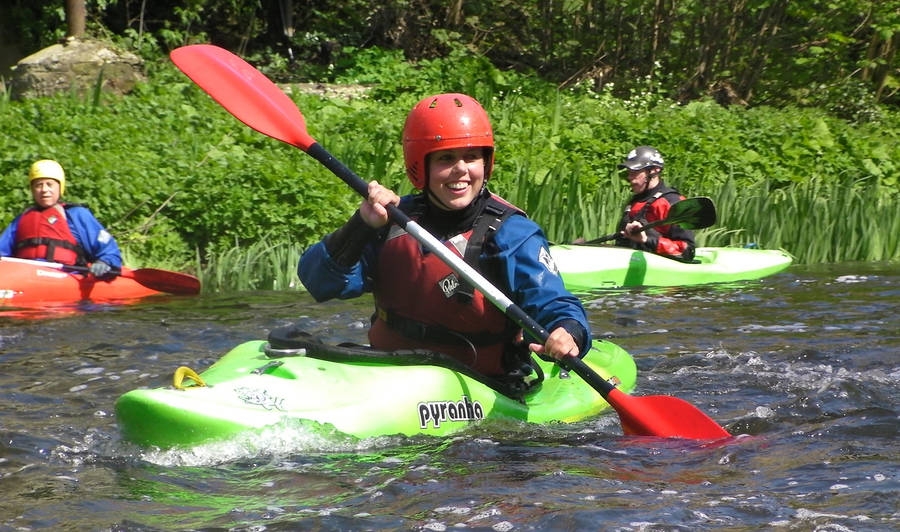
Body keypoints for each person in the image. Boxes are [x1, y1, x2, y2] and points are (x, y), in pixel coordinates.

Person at [298, 93, 590, 394]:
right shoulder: (392, 219)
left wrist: (568, 332)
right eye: (445, 158)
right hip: (388, 373)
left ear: (486, 163)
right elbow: (318, 282)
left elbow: (553, 303)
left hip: (483, 385)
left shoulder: (512, 233)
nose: (461, 169)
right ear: (420, 165)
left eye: (471, 157)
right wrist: (361, 224)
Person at [0, 159, 122, 277]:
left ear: (60, 187)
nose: (44, 190)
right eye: (38, 185)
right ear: (32, 190)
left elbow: (109, 250)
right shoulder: (22, 219)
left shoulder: (77, 215)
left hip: (66, 276)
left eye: (50, 184)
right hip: (26, 275)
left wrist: (104, 262)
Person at [614, 146, 695, 260]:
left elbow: (687, 251)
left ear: (654, 171)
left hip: (661, 269)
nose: (630, 177)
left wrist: (647, 240)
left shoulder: (672, 202)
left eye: (635, 172)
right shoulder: (634, 202)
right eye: (629, 172)